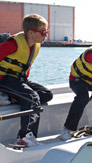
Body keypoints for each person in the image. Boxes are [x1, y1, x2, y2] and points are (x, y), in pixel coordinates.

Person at [0, 14, 53, 147]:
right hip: (4, 80)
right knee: (31, 97)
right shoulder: (12, 45)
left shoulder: (34, 45)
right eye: (43, 33)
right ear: (31, 32)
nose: (45, 36)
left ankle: (8, 98)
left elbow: (25, 66)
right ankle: (24, 137)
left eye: (46, 32)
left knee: (47, 95)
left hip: (19, 79)